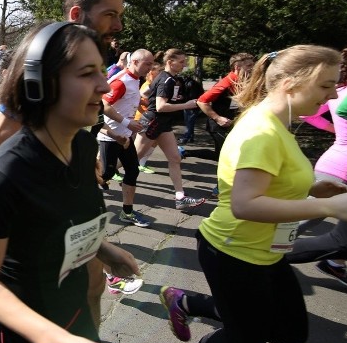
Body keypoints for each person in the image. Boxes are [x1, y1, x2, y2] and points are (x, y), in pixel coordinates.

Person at [159, 45, 347, 343]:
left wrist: (315, 188)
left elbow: (269, 178)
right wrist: (330, 209)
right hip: (234, 250)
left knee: (290, 330)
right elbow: (245, 204)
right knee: (248, 337)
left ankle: (187, 302)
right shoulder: (262, 131)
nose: (334, 93)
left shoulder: (275, 123)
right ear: (290, 83)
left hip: (265, 250)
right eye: (326, 85)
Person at [0, 22, 137, 343]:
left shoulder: (85, 148)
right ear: (41, 83)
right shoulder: (4, 173)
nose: (105, 86)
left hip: (72, 311)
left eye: (102, 72)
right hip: (17, 331)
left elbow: (65, 220)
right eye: (88, 73)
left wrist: (105, 249)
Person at [284, 46, 347, 288]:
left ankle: (336, 262)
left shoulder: (341, 91)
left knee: (312, 221)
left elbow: (309, 116)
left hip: (337, 161)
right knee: (300, 221)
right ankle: (253, 258)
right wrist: (336, 131)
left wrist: (334, 131)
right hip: (342, 167)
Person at [134, 49, 206, 210]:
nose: (184, 64)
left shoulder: (167, 78)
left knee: (175, 158)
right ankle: (100, 175)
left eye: (184, 61)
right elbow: (160, 107)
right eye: (181, 62)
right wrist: (186, 105)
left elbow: (145, 91)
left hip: (163, 125)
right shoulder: (167, 80)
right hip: (153, 122)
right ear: (170, 62)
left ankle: (180, 197)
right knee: (133, 158)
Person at [97, 48, 155, 228]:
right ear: (135, 62)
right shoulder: (121, 81)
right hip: (110, 136)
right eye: (147, 64)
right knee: (105, 174)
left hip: (125, 136)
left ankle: (127, 212)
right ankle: (75, 195)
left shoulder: (135, 80)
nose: (150, 68)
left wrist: (141, 106)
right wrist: (127, 123)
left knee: (132, 170)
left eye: (152, 64)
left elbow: (129, 100)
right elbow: (104, 105)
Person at [196, 53, 256, 157]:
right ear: (237, 67)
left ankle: (184, 152)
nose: (252, 68)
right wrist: (218, 118)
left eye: (252, 65)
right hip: (218, 125)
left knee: (227, 154)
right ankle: (184, 151)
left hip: (232, 124)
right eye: (249, 66)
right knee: (226, 155)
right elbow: (201, 101)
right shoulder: (225, 83)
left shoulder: (243, 82)